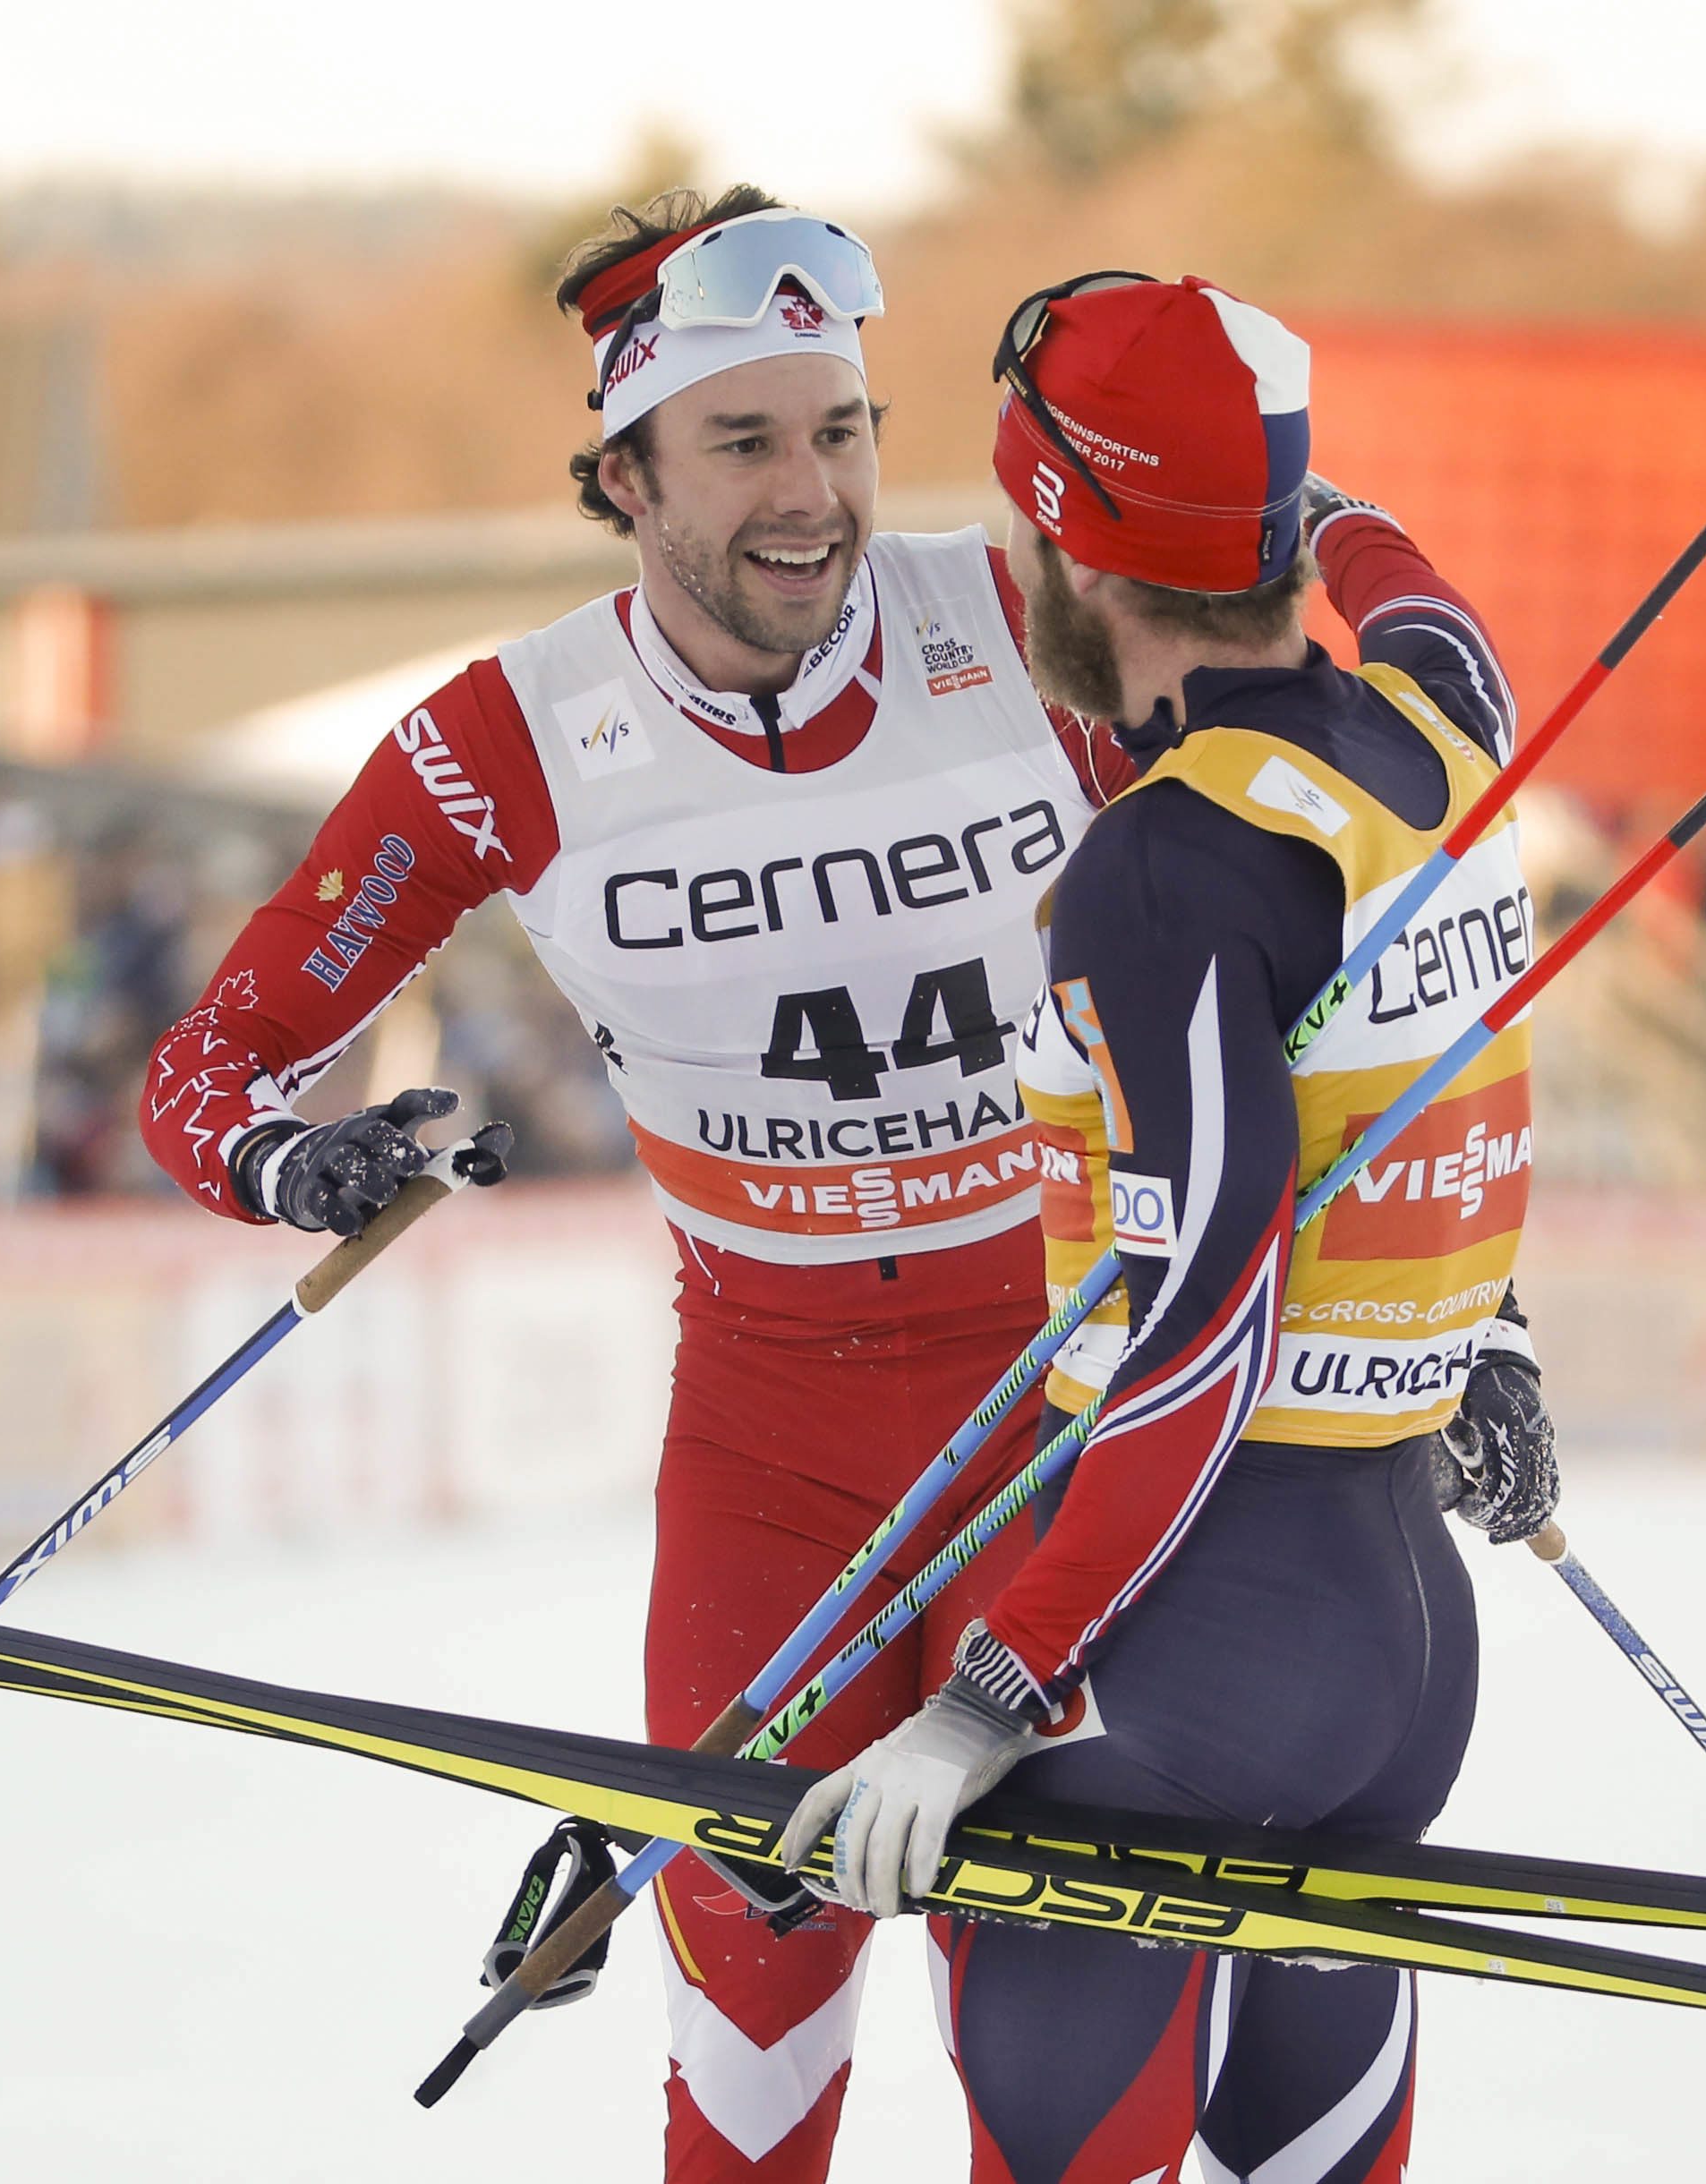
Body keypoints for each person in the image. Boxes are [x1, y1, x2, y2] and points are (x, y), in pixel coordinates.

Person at [138, 189, 1136, 2182]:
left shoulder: (1034, 631)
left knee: (1068, 2058)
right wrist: (300, 1160)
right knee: (754, 2030)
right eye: (746, 442)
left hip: (1067, 1424)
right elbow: (204, 1072)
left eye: (841, 430)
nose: (814, 495)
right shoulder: (504, 738)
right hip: (774, 1452)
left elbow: (1328, 910)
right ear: (625, 473)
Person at [784, 273, 1561, 2184]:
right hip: (1403, 1650)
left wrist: (995, 1690)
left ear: (1067, 545)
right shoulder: (1443, 729)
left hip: (1211, 1647)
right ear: (1274, 538)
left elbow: (1201, 1308)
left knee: (1054, 2121)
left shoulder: (1170, 863)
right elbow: (1416, 590)